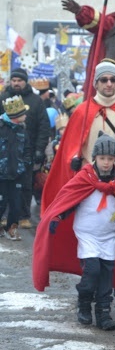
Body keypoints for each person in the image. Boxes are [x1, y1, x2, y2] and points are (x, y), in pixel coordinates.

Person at [42, 60, 115, 315]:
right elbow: (73, 144)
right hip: (90, 182)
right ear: (96, 83)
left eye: (113, 80)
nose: (109, 84)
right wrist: (72, 157)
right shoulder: (83, 110)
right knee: (92, 238)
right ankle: (89, 291)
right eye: (104, 80)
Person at [33, 133, 115, 331]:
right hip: (87, 235)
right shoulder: (84, 178)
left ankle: (103, 314)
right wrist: (57, 218)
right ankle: (84, 303)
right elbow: (69, 201)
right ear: (95, 158)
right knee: (92, 270)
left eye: (110, 159)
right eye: (102, 158)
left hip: (110, 237)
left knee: (106, 277)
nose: (105, 163)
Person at [0, 68, 51, 229]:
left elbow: (44, 127)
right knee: (4, 184)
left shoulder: (36, 101)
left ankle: (23, 215)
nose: (16, 83)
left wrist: (39, 150)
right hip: (5, 152)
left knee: (26, 185)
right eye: (14, 80)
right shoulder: (3, 98)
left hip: (27, 151)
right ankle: (5, 215)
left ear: (25, 81)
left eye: (19, 80)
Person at [0, 96, 32, 240]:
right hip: (2, 174)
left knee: (16, 204)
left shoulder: (22, 131)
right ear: (15, 116)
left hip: (17, 174)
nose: (26, 115)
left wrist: (24, 165)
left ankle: (11, 228)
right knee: (1, 202)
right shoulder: (1, 128)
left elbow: (27, 150)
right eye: (23, 113)